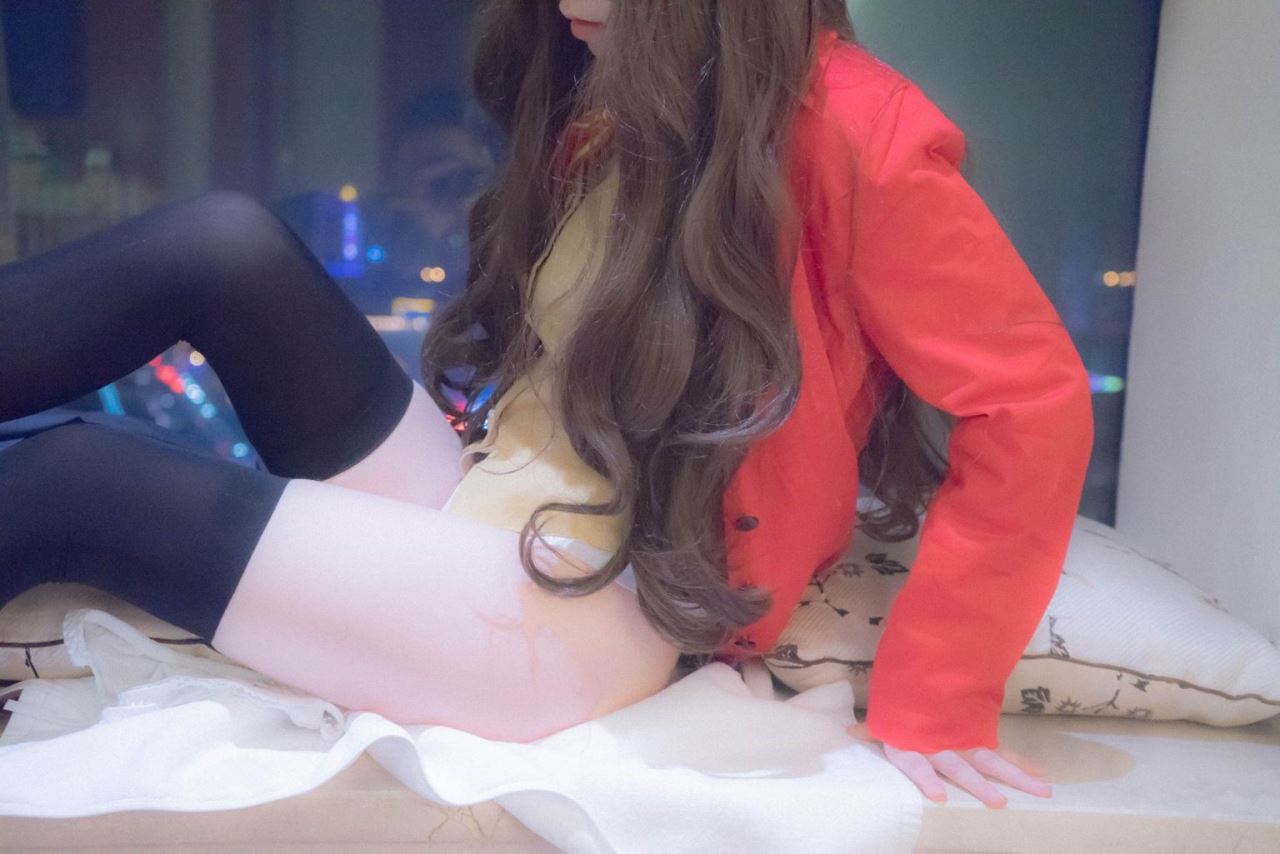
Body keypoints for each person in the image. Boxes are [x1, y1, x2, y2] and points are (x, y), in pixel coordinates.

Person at [0, 0, 1091, 811]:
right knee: (225, 249)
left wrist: (940, 695)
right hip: (495, 520)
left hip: (588, 612)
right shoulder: (636, 98)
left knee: (75, 474)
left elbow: (1030, 399)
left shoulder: (851, 129)